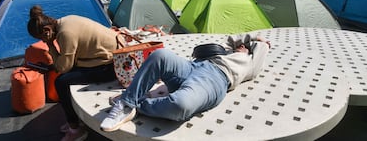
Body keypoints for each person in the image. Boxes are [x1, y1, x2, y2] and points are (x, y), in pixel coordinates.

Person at [100, 33, 271, 132]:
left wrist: (258, 43)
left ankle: (138, 104)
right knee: (160, 55)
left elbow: (263, 46)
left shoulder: (250, 62)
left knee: (181, 104)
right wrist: (243, 42)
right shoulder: (227, 49)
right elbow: (233, 38)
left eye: (245, 46)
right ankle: (126, 103)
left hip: (215, 78)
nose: (241, 46)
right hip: (193, 65)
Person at [27, 5, 123, 141]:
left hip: (112, 67)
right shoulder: (65, 21)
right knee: (67, 76)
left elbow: (63, 67)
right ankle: (77, 120)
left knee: (60, 82)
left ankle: (75, 128)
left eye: (42, 37)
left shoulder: (65, 34)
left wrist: (50, 46)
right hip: (109, 57)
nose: (42, 41)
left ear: (47, 30)